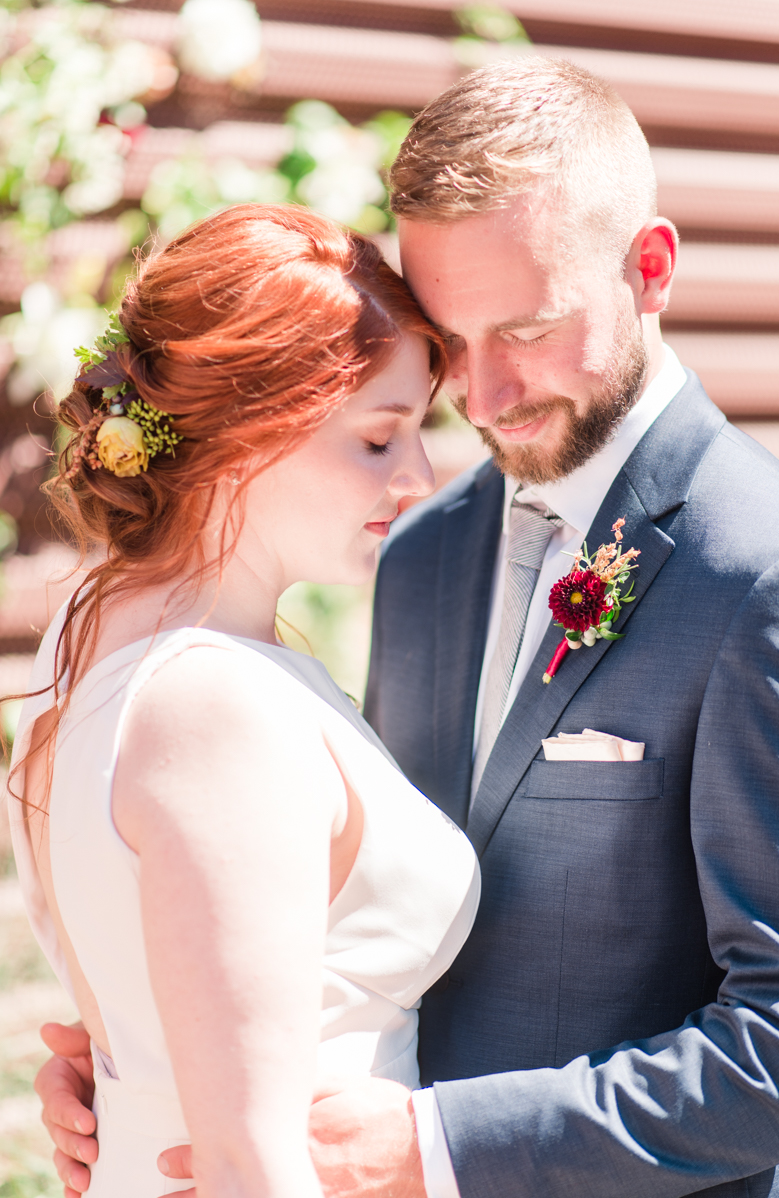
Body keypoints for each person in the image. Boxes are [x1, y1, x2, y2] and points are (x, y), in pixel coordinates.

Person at [36, 58, 779, 1198]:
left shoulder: (766, 572)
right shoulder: (426, 548)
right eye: (450, 341)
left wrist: (438, 1148)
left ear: (649, 269)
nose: (480, 401)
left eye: (529, 331)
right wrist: (149, 1053)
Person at [7, 204, 481, 1198]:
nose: (417, 477)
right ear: (246, 434)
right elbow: (244, 1160)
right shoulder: (216, 708)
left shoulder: (87, 637)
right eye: (375, 438)